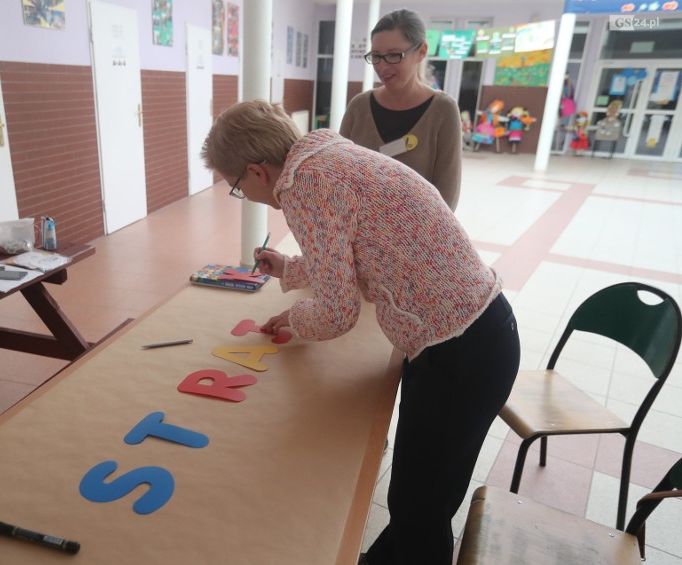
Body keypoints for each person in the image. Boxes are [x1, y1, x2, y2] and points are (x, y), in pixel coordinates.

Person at [201, 100, 520, 565]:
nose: (243, 195)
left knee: (420, 508)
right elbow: (351, 250)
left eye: (236, 187)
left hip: (459, 353)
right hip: (480, 333)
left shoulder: (307, 185)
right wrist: (290, 269)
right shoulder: (330, 157)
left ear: (256, 171)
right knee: (420, 497)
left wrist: (292, 318)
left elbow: (337, 313)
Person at [339, 9, 462, 210]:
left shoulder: (442, 110)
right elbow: (339, 175)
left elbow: (448, 194)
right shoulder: (359, 107)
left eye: (394, 55)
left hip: (417, 236)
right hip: (360, 236)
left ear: (421, 52)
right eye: (376, 56)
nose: (383, 66)